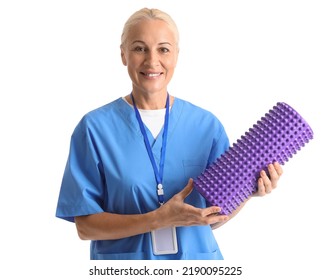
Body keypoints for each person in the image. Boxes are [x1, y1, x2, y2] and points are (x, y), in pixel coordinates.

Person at [55, 7, 283, 260]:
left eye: (163, 49)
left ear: (176, 55)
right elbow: (85, 227)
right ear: (123, 54)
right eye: (139, 48)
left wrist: (247, 193)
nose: (152, 61)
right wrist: (156, 219)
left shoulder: (206, 127)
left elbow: (211, 219)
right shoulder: (94, 129)